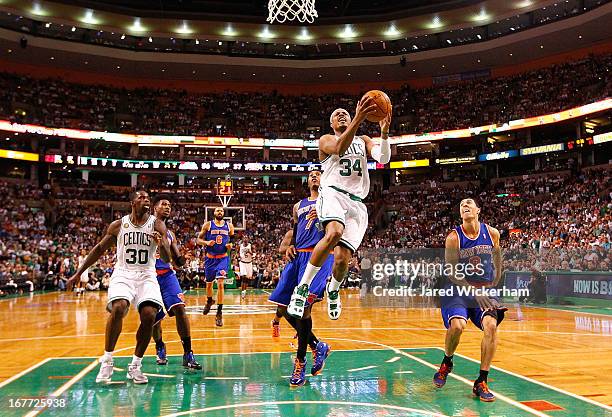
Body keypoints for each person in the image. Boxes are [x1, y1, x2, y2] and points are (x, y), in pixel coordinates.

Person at [287, 97, 391, 320]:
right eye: (337, 114)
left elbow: (383, 158)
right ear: (332, 124)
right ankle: (302, 288)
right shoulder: (325, 139)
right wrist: (358, 117)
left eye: (345, 112)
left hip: (357, 203)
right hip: (333, 192)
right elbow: (339, 146)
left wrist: (384, 134)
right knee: (334, 232)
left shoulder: (363, 139)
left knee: (343, 259)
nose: (342, 115)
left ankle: (333, 288)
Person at [67, 190, 171, 384]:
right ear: (132, 202)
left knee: (149, 315)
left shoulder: (157, 224)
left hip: (147, 274)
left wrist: (161, 244)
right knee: (119, 307)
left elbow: (167, 258)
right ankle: (107, 360)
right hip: (124, 272)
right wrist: (78, 273)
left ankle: (135, 366)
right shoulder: (118, 225)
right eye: (141, 198)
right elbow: (99, 249)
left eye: (148, 198)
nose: (146, 200)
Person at [433, 198, 507, 402]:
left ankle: (481, 381)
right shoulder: (453, 238)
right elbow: (451, 271)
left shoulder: (492, 233)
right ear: (460, 214)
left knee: (491, 326)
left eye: (469, 203)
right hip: (457, 290)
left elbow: (498, 253)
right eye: (461, 205)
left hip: (484, 289)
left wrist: (498, 276)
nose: (465, 206)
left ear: (478, 210)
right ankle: (447, 361)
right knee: (457, 326)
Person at [269, 170, 332, 387]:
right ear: (307, 181)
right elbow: (295, 232)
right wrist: (289, 247)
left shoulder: (330, 199)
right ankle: (317, 345)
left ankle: (300, 362)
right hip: (299, 257)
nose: (315, 176)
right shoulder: (298, 205)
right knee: (284, 307)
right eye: (312, 174)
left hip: (320, 256)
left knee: (303, 306)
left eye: (319, 173)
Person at [150, 195, 201, 370]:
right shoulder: (144, 227)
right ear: (154, 207)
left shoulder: (170, 234)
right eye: (163, 204)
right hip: (149, 277)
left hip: (167, 275)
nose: (167, 207)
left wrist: (184, 259)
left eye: (169, 205)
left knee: (180, 308)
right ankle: (160, 345)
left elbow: (177, 261)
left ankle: (188, 353)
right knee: (153, 318)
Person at [197, 207, 234, 327]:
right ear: (214, 213)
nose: (220, 212)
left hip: (223, 258)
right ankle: (209, 301)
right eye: (218, 211)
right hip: (210, 259)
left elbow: (232, 240)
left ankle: (219, 313)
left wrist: (230, 245)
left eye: (222, 211)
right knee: (208, 284)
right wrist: (206, 243)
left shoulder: (229, 226)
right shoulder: (208, 225)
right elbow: (198, 240)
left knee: (220, 283)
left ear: (224, 213)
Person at [238, 236, 254, 300]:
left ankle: (244, 291)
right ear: (242, 239)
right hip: (242, 263)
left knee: (247, 278)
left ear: (248, 239)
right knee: (243, 277)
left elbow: (254, 254)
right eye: (244, 238)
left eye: (246, 238)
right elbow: (237, 253)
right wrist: (237, 257)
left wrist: (250, 252)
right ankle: (242, 291)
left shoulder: (251, 246)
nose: (245, 239)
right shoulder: (240, 246)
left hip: (249, 263)